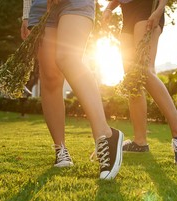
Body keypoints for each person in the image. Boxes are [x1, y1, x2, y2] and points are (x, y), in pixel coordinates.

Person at [21, 0, 124, 179]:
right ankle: (60, 149)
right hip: (40, 5)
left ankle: (105, 135)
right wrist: (25, 13)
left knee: (67, 57)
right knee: (50, 77)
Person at [102, 0, 177, 164]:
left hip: (147, 8)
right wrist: (109, 8)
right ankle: (140, 141)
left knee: (143, 70)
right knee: (132, 79)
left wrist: (159, 9)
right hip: (127, 13)